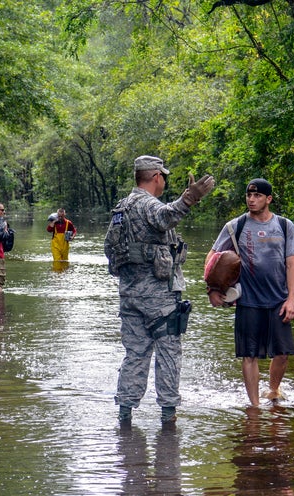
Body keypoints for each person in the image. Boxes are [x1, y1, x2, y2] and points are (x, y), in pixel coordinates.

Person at [104, 155, 215, 425]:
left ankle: (125, 413)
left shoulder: (121, 208)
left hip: (129, 296)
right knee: (168, 353)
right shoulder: (147, 204)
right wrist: (189, 198)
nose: (164, 181)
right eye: (163, 176)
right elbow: (166, 217)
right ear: (155, 177)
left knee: (135, 353)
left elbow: (109, 248)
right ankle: (168, 415)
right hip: (159, 298)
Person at [206, 178, 294, 406]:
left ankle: (273, 389)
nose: (252, 199)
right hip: (248, 300)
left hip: (278, 299)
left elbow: (292, 264)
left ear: (268, 199)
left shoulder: (285, 226)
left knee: (282, 354)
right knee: (248, 355)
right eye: (249, 195)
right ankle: (255, 406)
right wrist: (212, 289)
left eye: (257, 196)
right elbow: (211, 258)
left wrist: (291, 299)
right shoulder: (235, 226)